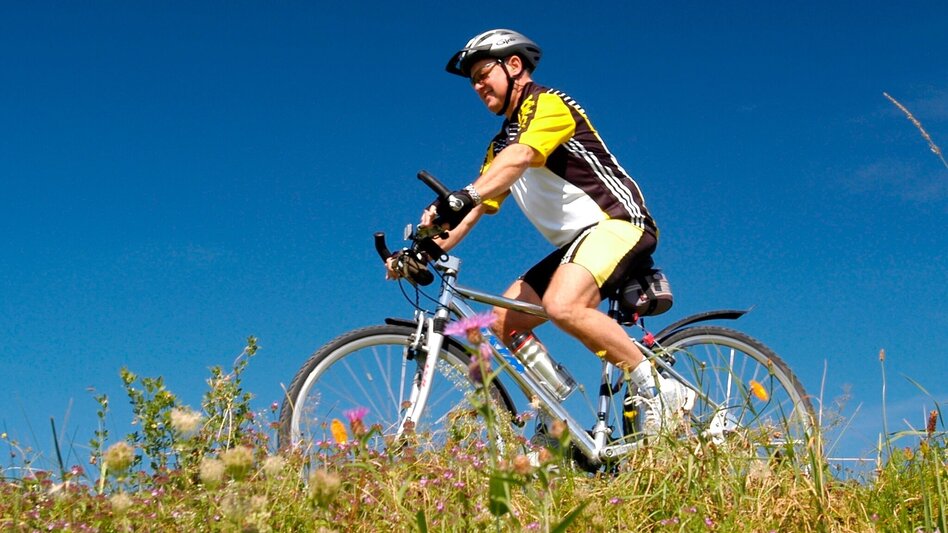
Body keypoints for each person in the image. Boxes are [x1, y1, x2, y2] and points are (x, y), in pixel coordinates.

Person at [388, 29, 694, 437]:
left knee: (563, 305)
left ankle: (661, 388)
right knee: (499, 324)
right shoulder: (498, 146)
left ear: (514, 66)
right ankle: (560, 426)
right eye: (473, 81)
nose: (478, 86)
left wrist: (467, 193)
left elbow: (524, 156)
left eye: (483, 74)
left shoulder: (548, 104)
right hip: (578, 245)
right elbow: (476, 206)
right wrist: (423, 250)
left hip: (618, 223)